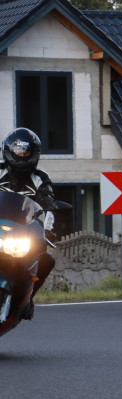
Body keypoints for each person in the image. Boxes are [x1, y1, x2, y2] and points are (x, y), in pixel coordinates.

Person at [0, 128, 56, 320]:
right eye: (18, 151)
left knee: (47, 260)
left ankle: (28, 297)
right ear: (8, 151)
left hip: (24, 233)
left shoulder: (40, 177)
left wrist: (47, 228)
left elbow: (48, 203)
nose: (22, 156)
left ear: (34, 154)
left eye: (26, 152)